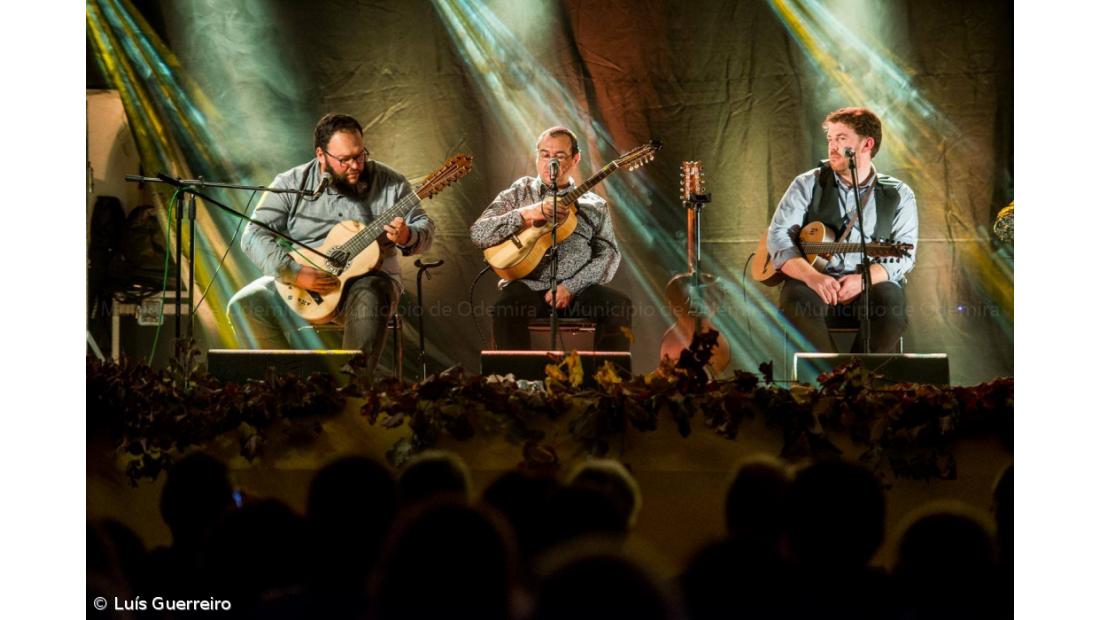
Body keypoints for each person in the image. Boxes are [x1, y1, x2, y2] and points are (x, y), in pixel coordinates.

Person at [227, 113, 434, 379]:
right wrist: (293, 271)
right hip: (303, 283)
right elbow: (253, 234)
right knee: (245, 305)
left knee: (370, 293)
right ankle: (285, 388)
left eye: (360, 155)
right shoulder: (291, 183)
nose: (355, 165)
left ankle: (351, 395)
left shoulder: (390, 182)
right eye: (344, 160)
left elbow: (424, 228)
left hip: (366, 284)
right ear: (321, 155)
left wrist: (407, 236)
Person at [766, 107, 918, 353]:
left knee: (891, 304)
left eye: (841, 139)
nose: (832, 146)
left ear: (867, 144)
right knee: (796, 301)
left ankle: (859, 379)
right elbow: (778, 236)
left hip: (870, 285)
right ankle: (828, 381)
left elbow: (905, 257)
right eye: (830, 139)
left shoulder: (900, 194)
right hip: (812, 282)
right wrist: (812, 277)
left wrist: (862, 280)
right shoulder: (808, 183)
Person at [470, 126, 632, 351]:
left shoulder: (594, 205)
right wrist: (526, 213)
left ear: (575, 159)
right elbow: (479, 233)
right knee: (506, 307)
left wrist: (572, 286)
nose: (550, 163)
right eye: (545, 155)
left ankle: (608, 383)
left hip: (578, 291)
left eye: (559, 156)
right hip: (527, 287)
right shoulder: (520, 193)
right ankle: (516, 383)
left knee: (618, 306)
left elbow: (609, 255)